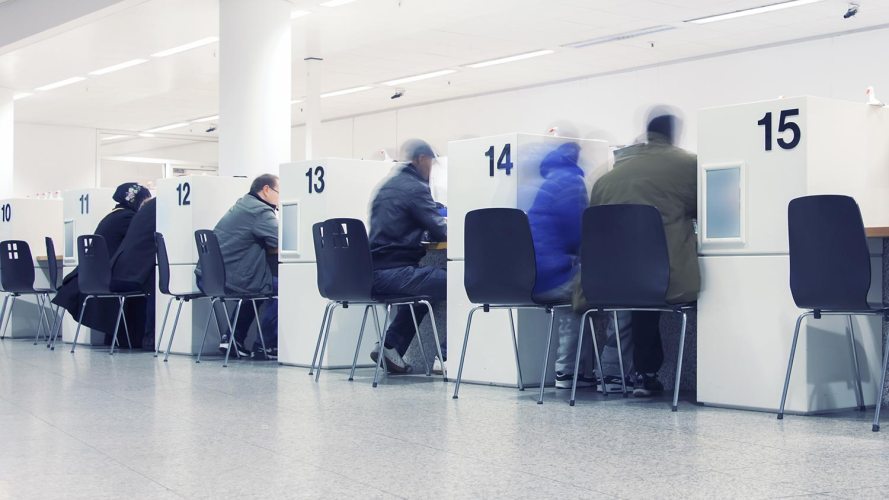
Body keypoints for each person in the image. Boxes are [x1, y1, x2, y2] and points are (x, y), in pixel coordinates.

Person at [577, 109, 698, 397]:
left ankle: (633, 373)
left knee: (642, 297)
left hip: (610, 282)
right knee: (660, 287)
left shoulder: (609, 174)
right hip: (664, 276)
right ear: (674, 134)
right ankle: (651, 373)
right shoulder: (687, 164)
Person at [368, 139, 447, 373]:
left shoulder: (387, 185)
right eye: (431, 163)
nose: (431, 169)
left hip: (374, 272)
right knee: (454, 282)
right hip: (394, 272)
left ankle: (390, 345)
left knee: (427, 288)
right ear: (421, 159)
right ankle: (449, 354)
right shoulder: (414, 187)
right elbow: (439, 230)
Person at [524, 142, 596, 389]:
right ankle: (572, 371)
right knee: (592, 292)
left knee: (578, 290)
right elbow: (576, 232)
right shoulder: (570, 182)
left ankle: (576, 371)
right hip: (554, 276)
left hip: (529, 276)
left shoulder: (543, 183)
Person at [53, 183, 152, 346]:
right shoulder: (128, 218)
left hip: (90, 278)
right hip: (110, 278)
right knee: (146, 283)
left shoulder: (112, 216)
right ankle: (141, 339)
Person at [195, 174, 279, 360]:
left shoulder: (242, 205)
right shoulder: (260, 211)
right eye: (279, 192)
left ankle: (232, 339)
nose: (281, 198)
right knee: (279, 289)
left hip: (210, 278)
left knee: (258, 287)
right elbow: (283, 242)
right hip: (231, 278)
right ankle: (266, 345)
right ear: (266, 189)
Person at [108, 197, 157, 350]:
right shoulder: (160, 208)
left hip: (114, 273)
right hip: (132, 276)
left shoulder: (141, 213)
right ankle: (151, 339)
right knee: (157, 281)